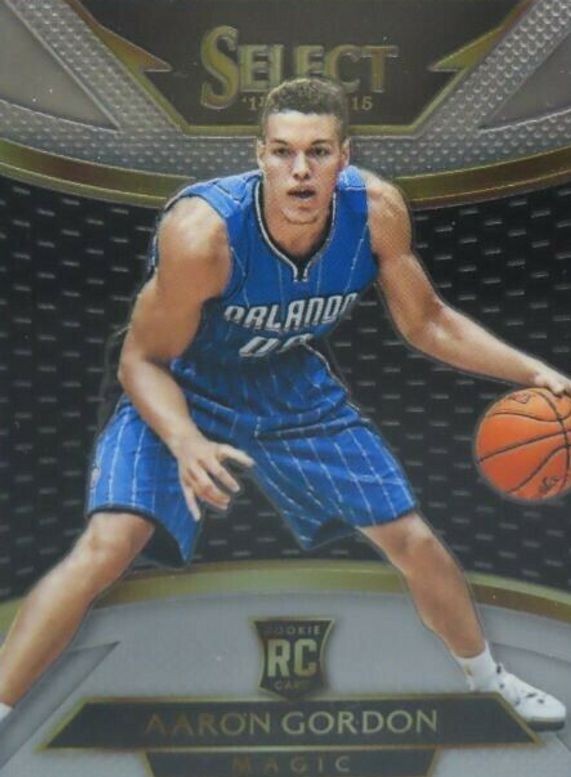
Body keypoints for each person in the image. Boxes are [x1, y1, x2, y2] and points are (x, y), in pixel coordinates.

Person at [0, 77, 568, 731]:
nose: (300, 170)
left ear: (344, 157)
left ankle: (488, 679)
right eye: (283, 151)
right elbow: (140, 360)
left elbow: (428, 322)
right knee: (108, 544)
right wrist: (184, 440)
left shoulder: (376, 211)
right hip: (185, 382)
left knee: (411, 539)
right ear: (260, 155)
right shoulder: (202, 236)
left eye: (318, 152)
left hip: (289, 384)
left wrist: (532, 372)